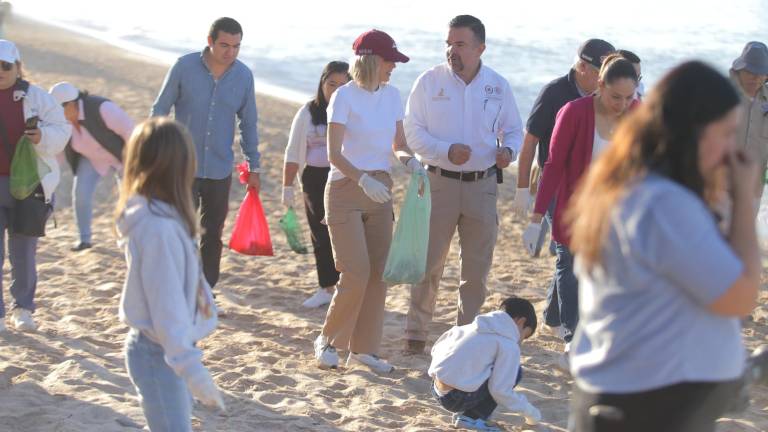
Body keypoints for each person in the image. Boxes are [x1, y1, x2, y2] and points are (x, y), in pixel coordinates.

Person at [565, 61, 760, 432]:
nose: (731, 149)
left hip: (635, 403)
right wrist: (747, 202)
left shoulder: (634, 188)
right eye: (727, 133)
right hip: (642, 410)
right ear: (695, 132)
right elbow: (739, 296)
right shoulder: (663, 204)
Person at [403, 15, 523, 354]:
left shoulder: (498, 85)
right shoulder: (428, 82)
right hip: (438, 183)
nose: (451, 51)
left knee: (476, 269)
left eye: (459, 44)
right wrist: (445, 150)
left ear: (480, 48)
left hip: (482, 187)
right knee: (429, 264)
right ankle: (415, 334)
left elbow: (514, 129)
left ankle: (464, 335)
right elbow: (413, 132)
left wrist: (509, 151)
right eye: (448, 43)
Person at [313, 29, 423, 373]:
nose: (394, 67)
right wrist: (361, 178)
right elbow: (333, 154)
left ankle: (363, 350)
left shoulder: (392, 95)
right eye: (391, 61)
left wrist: (410, 161)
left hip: (380, 188)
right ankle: (328, 340)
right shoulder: (343, 97)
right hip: (346, 188)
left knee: (378, 274)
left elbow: (398, 143)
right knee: (356, 271)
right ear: (373, 60)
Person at [522, 54, 638, 369]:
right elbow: (554, 165)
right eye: (616, 97)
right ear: (599, 85)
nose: (623, 104)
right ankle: (573, 337)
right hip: (575, 207)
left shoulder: (638, 114)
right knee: (571, 266)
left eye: (630, 97)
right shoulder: (573, 112)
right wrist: (536, 217)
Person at [117, 118, 225, 432]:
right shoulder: (158, 229)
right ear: (177, 167)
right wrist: (193, 370)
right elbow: (166, 306)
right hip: (158, 352)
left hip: (165, 349)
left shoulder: (163, 217)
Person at [151, 17, 260, 289]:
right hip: (181, 165)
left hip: (220, 169)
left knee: (213, 235)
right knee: (179, 230)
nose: (230, 52)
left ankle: (206, 290)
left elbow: (248, 123)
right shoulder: (184, 67)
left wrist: (254, 165)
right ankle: (176, 285)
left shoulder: (244, 76)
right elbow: (159, 111)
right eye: (225, 45)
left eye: (236, 46)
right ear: (210, 41)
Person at [513, 39, 615, 256]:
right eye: (601, 72)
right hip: (555, 181)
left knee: (573, 252)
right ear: (582, 66)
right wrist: (522, 188)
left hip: (590, 184)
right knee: (567, 250)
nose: (605, 79)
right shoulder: (554, 92)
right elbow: (530, 141)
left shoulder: (608, 98)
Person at [0, 40, 70, 333]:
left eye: (5, 66)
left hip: (30, 184)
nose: (0, 71)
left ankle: (23, 309)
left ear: (18, 67)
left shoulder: (38, 98)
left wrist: (41, 136)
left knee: (23, 250)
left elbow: (62, 130)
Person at [282, 61, 350, 308]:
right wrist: (287, 187)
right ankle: (326, 287)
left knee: (344, 231)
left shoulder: (352, 111)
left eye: (343, 85)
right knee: (319, 232)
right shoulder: (308, 112)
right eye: (331, 84)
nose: (335, 90)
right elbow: (292, 152)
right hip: (314, 178)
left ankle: (346, 286)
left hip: (345, 177)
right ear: (322, 83)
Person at [429, 296, 541, 431]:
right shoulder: (508, 344)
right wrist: (532, 415)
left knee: (484, 365)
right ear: (520, 321)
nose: (520, 341)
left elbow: (437, 349)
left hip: (436, 389)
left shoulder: (468, 327)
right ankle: (471, 417)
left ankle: (466, 413)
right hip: (458, 398)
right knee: (515, 372)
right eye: (524, 335)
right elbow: (500, 390)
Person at [49, 82, 134, 252]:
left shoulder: (103, 108)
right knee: (80, 194)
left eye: (57, 109)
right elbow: (57, 152)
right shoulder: (61, 123)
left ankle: (132, 240)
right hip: (92, 159)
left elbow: (131, 131)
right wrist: (48, 176)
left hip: (124, 156)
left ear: (72, 103)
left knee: (130, 199)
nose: (54, 114)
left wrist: (135, 161)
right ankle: (84, 239)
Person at [730, 41, 768, 202]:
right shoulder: (722, 95)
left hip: (753, 191)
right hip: (721, 188)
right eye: (750, 71)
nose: (755, 77)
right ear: (739, 70)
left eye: (760, 73)